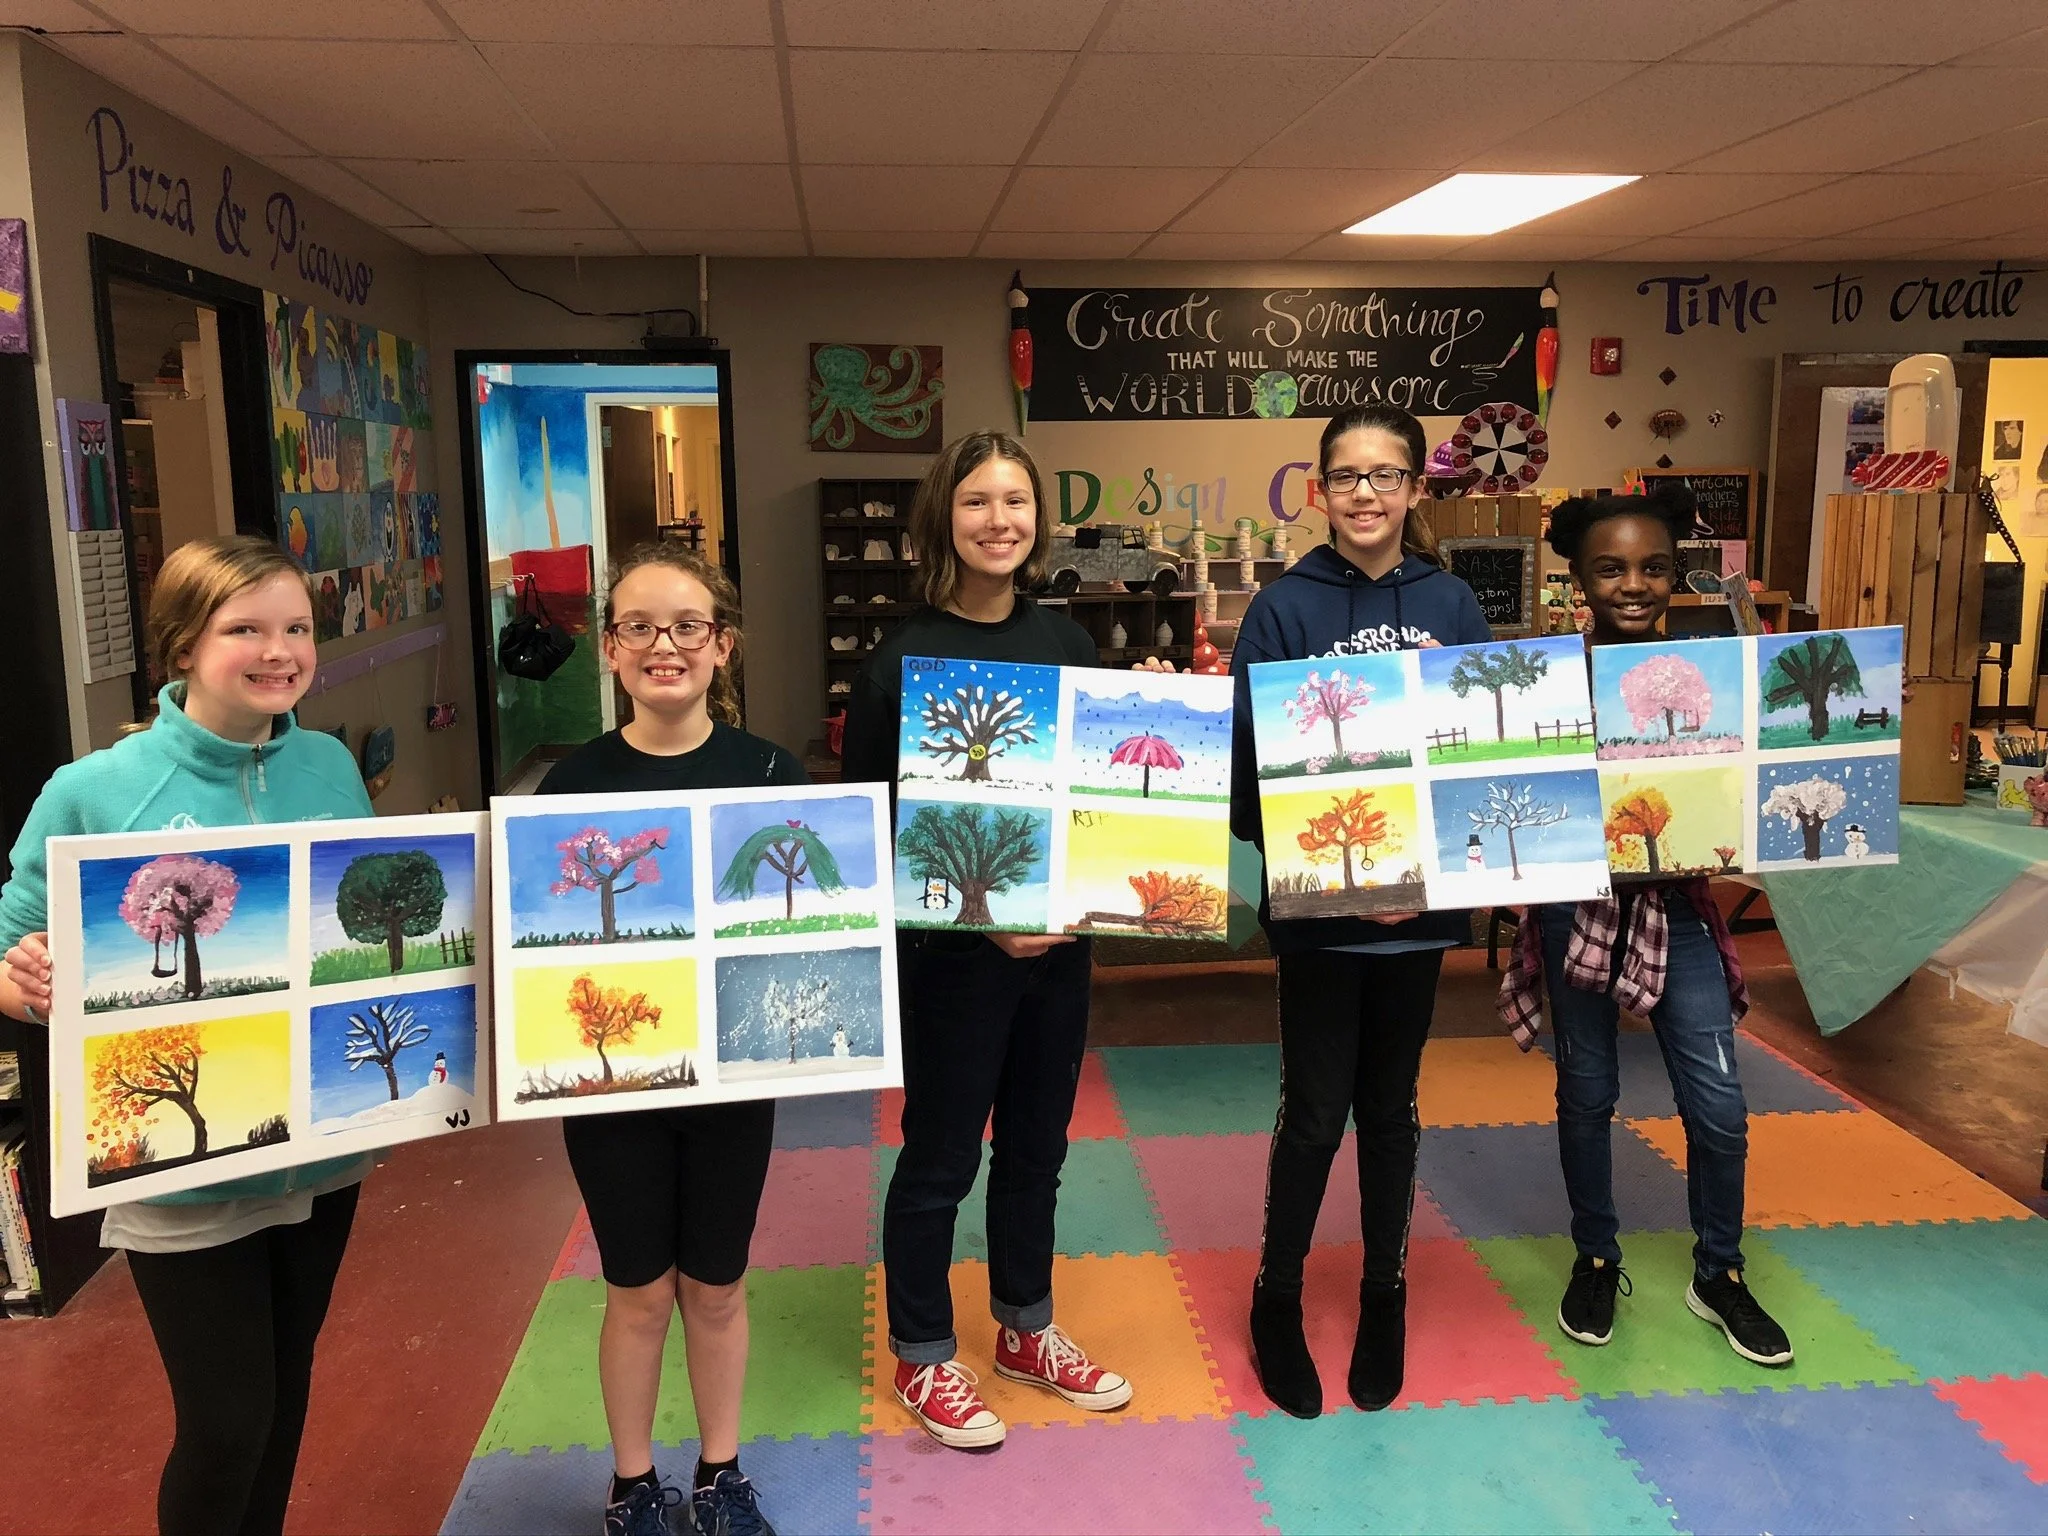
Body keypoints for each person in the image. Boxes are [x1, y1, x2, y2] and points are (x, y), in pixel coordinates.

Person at [0, 536, 375, 1536]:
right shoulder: (94, 791)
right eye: (244, 629)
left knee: (286, 1390)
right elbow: (13, 946)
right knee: (226, 1420)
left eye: (295, 628)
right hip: (179, 1163)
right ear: (180, 646)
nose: (278, 650)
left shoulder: (331, 766)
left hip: (322, 1149)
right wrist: (19, 977)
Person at [841, 431, 1130, 1450]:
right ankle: (923, 1354)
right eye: (975, 501)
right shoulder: (897, 659)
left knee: (1039, 1151)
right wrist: (979, 920)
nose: (998, 520)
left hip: (1059, 952)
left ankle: (1023, 1329)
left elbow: (1095, 807)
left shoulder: (1068, 644)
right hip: (952, 962)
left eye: (1015, 501)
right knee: (938, 1155)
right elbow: (876, 831)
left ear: (1037, 519)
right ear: (941, 518)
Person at [1227, 404, 1493, 1420]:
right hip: (1319, 915)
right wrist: (1348, 880)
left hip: (1418, 917)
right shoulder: (1281, 610)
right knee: (1313, 1110)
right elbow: (1250, 776)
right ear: (1318, 490)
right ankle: (1276, 1295)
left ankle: (1384, 1292)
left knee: (1390, 1107)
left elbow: (1477, 754)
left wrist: (1411, 882)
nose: (1367, 494)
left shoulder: (1452, 601)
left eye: (1387, 475)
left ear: (1415, 490)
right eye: (1346, 476)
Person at [534, 544, 796, 1536]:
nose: (664, 646)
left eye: (687, 626)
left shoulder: (769, 771)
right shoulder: (571, 786)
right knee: (637, 1292)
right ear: (609, 648)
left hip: (734, 1083)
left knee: (717, 1289)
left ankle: (720, 1473)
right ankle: (632, 1482)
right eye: (639, 626)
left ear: (720, 645)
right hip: (613, 1089)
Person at [1499, 486, 1792, 1368]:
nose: (1634, 584)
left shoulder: (1713, 676)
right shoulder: (1547, 681)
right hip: (1575, 912)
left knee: (1720, 1103)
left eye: (1654, 566)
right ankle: (1596, 1255)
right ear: (1579, 578)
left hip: (1681, 912)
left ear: (1678, 573)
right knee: (1586, 1093)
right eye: (1611, 568)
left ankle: (1721, 1274)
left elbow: (1740, 797)